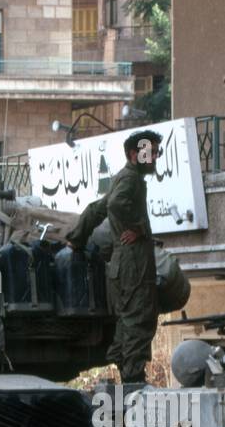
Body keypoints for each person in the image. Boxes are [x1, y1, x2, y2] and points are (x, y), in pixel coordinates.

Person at [67, 129, 163, 384]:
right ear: (134, 154)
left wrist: (77, 237)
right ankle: (133, 384)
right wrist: (137, 227)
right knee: (139, 322)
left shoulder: (123, 176)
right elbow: (115, 205)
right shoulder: (131, 179)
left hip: (122, 266)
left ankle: (127, 377)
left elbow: (96, 208)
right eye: (149, 153)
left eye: (156, 152)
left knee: (126, 323)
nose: (154, 157)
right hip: (134, 265)